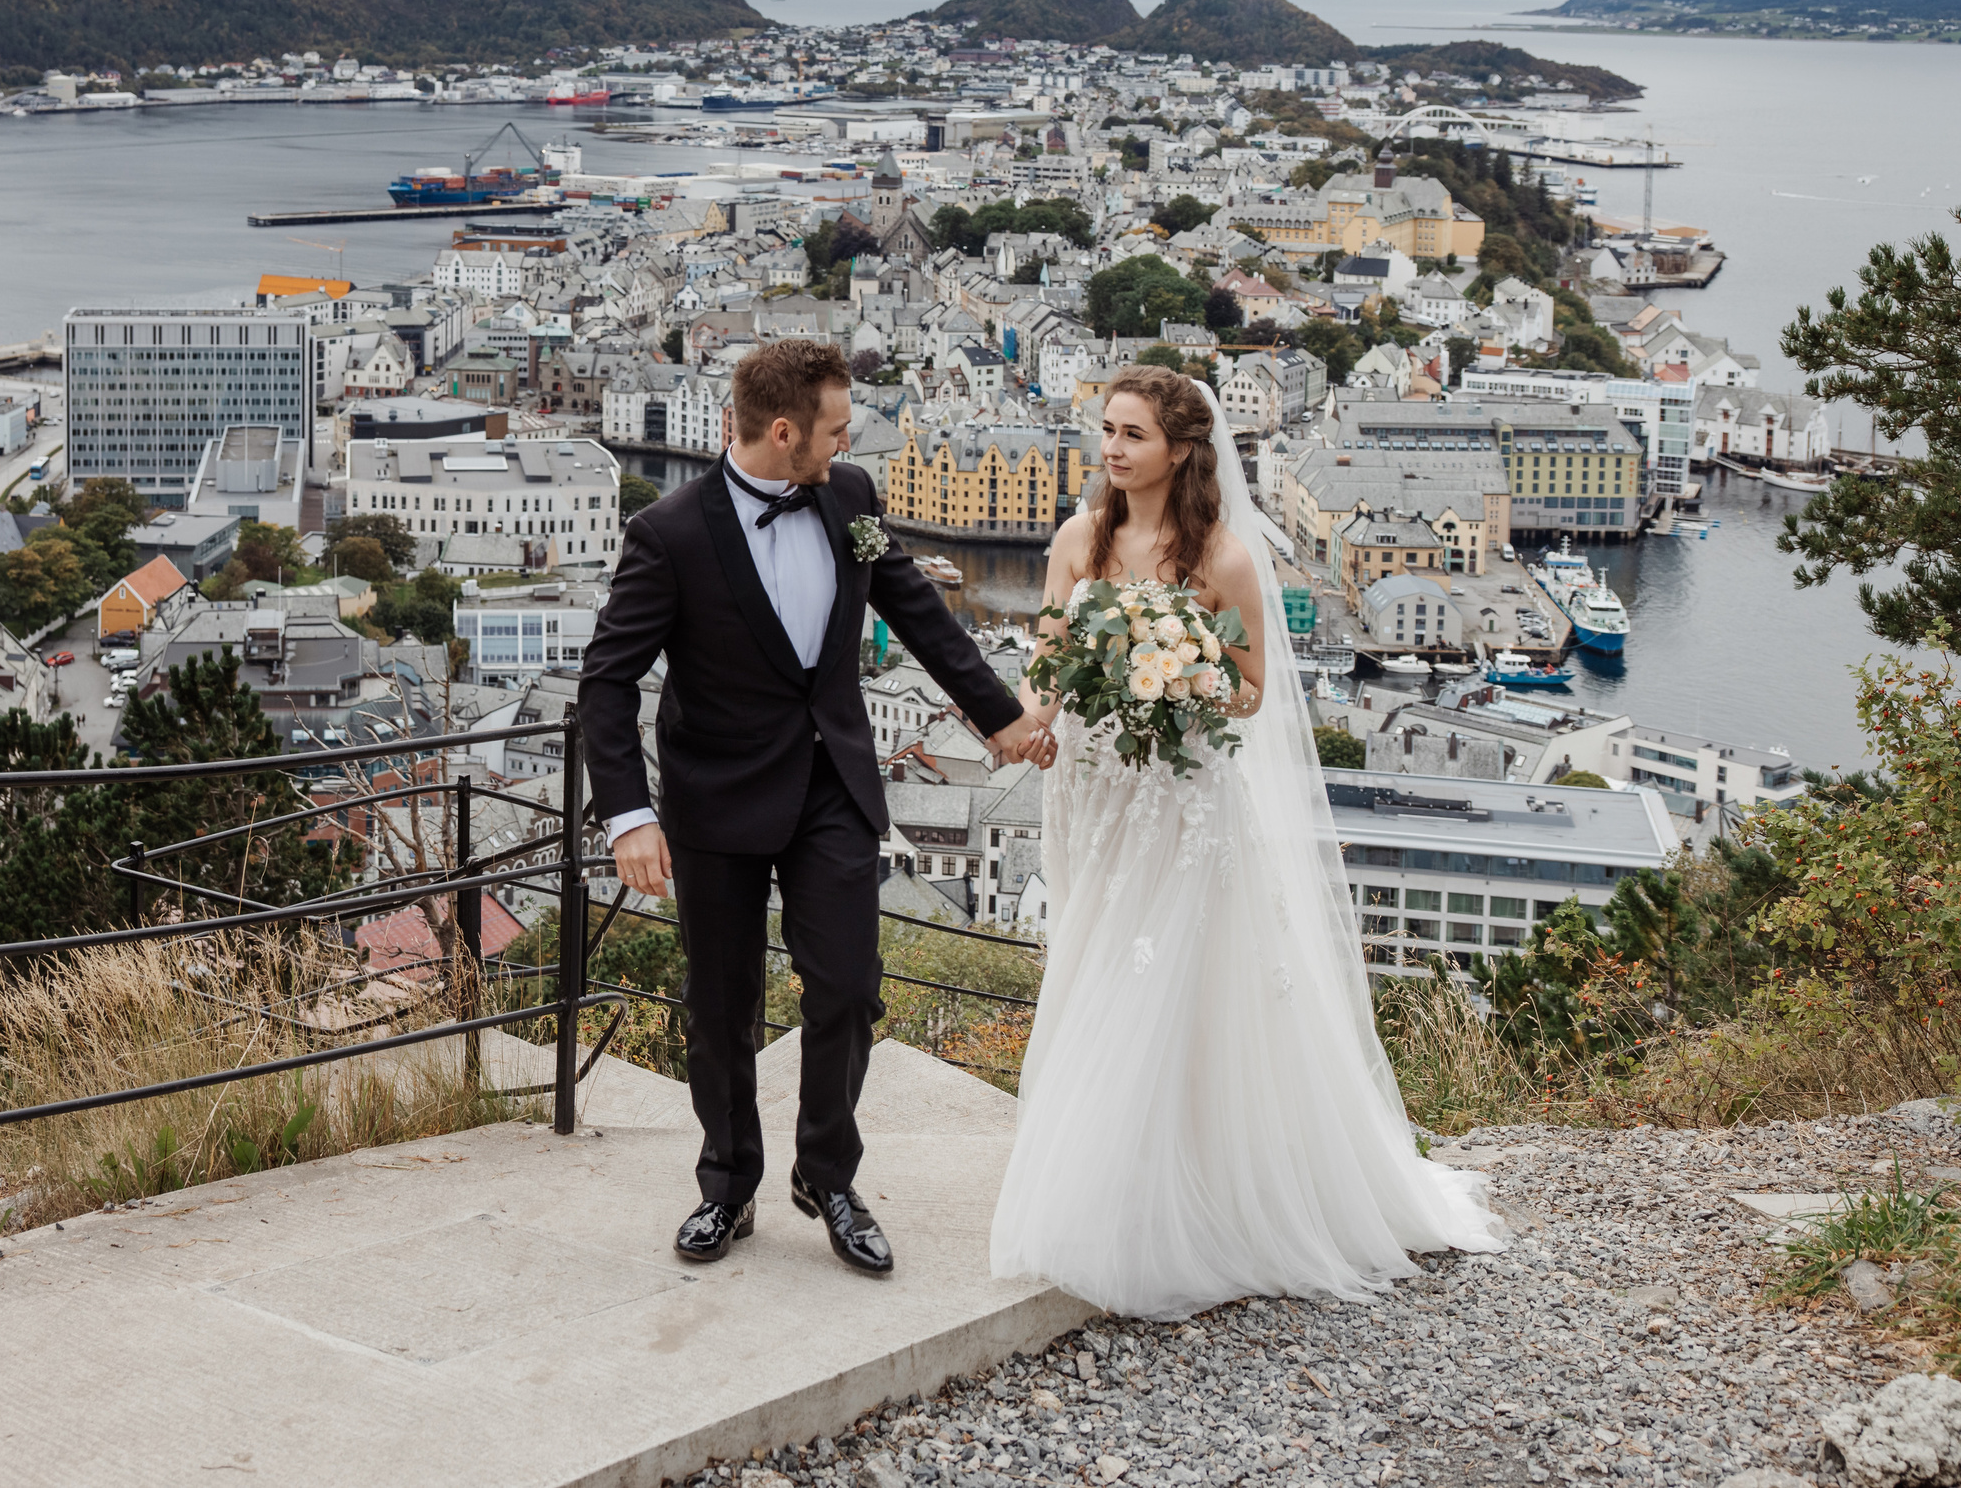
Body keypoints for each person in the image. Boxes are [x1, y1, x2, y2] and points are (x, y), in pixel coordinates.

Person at [989, 366, 1502, 1319]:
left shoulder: (1224, 558)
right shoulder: (1076, 539)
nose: (1111, 448)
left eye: (1132, 434)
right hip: (1098, 790)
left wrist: (1170, 675)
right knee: (1096, 955)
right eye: (1107, 429)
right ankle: (1120, 1174)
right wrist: (1030, 720)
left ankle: (1170, 1202)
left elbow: (1254, 690)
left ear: (1180, 450)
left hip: (1182, 795)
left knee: (1161, 977)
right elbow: (1049, 664)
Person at [579, 339, 1049, 1274]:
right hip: (714, 801)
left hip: (833, 782)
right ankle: (728, 1182)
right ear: (784, 431)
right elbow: (607, 679)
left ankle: (827, 1174)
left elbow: (916, 607)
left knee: (845, 987)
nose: (846, 445)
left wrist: (1002, 717)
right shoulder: (668, 532)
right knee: (722, 1008)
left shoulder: (851, 497)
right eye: (834, 431)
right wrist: (629, 815)